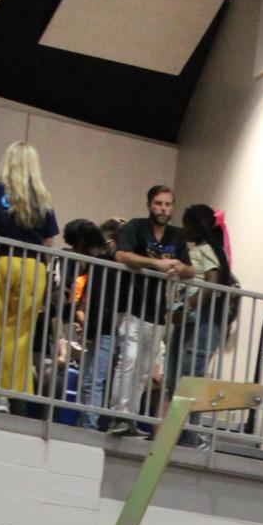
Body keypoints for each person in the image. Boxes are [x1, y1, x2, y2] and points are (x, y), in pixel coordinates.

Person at [0, 142, 59, 411]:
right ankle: (5, 397)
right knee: (19, 334)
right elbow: (49, 242)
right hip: (31, 269)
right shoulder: (42, 197)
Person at [107, 185, 192, 437]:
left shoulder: (176, 236)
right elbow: (122, 255)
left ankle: (130, 418)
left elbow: (190, 270)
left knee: (145, 369)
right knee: (129, 359)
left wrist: (178, 267)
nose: (163, 208)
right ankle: (118, 415)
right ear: (149, 205)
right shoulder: (135, 227)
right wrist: (156, 263)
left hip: (159, 311)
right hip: (134, 305)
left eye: (167, 204)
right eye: (158, 204)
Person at [166, 203, 237, 444]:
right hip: (192, 321)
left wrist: (188, 307)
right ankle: (177, 430)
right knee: (176, 375)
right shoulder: (203, 249)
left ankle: (189, 434)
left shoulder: (207, 250)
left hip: (202, 321)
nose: (183, 230)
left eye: (187, 224)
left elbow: (211, 280)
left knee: (189, 375)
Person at [59, 219, 123, 428]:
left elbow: (105, 303)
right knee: (87, 381)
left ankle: (90, 424)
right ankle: (86, 421)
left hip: (106, 329)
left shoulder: (107, 267)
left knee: (92, 381)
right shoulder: (97, 267)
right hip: (96, 328)